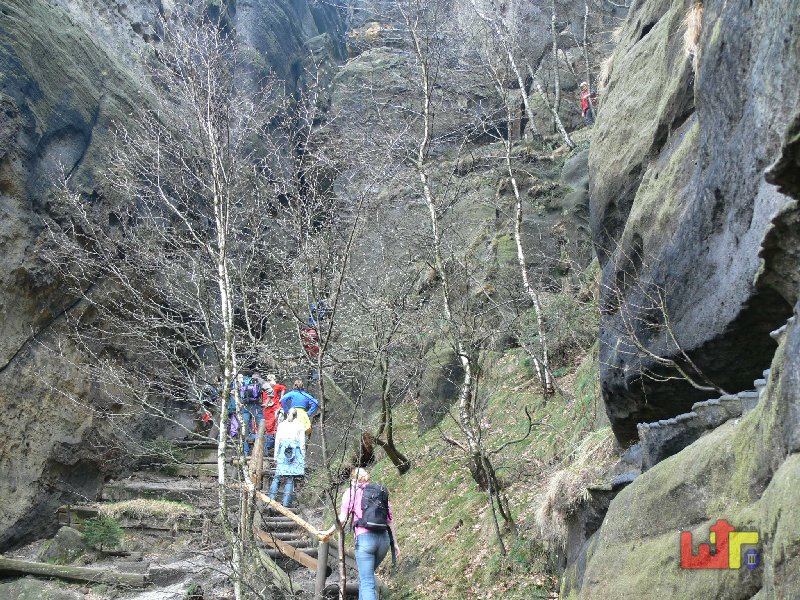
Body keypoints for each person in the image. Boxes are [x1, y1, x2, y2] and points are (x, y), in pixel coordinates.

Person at [338, 468, 400, 600]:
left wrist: (328, 532)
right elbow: (389, 521)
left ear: (353, 479)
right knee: (366, 577)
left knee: (367, 582)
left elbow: (342, 519)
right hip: (384, 541)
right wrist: (395, 543)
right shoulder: (379, 492)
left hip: (365, 542)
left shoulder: (351, 492)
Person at [269, 408, 306, 506]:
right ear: (296, 415)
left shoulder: (281, 425)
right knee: (290, 477)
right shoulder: (300, 425)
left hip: (282, 451)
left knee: (277, 477)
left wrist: (275, 456)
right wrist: (303, 456)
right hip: (294, 452)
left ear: (287, 414)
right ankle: (286, 503)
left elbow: (277, 440)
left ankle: (271, 501)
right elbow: (302, 443)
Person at [239, 375, 262, 457]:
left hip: (245, 406)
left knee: (244, 429)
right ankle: (262, 452)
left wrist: (240, 402)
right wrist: (266, 403)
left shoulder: (242, 382)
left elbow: (236, 392)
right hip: (256, 406)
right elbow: (270, 391)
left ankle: (245, 452)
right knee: (261, 429)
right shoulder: (259, 381)